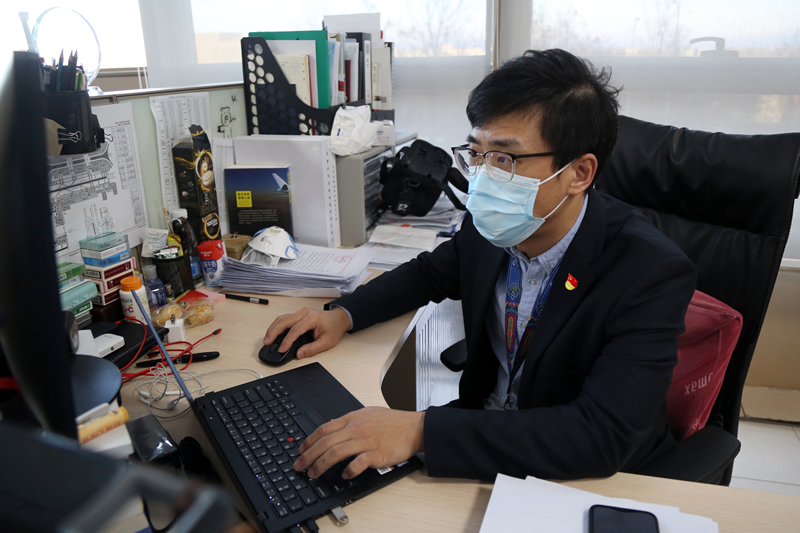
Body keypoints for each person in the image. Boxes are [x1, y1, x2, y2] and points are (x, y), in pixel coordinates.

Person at [264, 49, 696, 482]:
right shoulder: (493, 224)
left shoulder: (650, 272)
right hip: (487, 432)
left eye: (504, 159)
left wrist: (419, 430)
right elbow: (429, 273)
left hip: (583, 470)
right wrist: (343, 314)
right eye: (476, 154)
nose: (483, 178)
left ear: (579, 173)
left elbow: (601, 436)